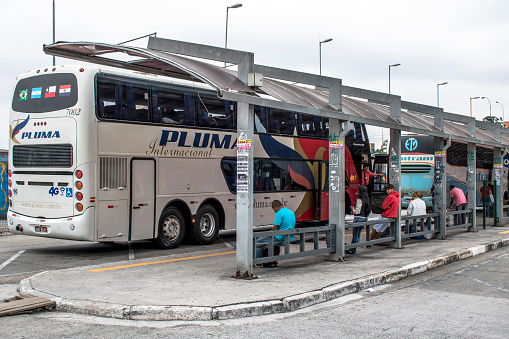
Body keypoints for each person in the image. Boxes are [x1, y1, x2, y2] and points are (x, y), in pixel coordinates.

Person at [255, 200, 296, 268]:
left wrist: (267, 233)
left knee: (258, 241)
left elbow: (275, 228)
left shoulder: (279, 213)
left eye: (273, 209)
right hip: (289, 236)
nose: (274, 211)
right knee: (270, 239)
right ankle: (274, 260)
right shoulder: (291, 212)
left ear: (276, 206)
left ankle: (258, 261)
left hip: (281, 236)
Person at [346, 185, 370, 254]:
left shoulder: (360, 199)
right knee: (358, 235)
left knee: (355, 235)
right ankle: (354, 249)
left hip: (358, 218)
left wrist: (352, 208)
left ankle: (352, 249)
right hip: (364, 218)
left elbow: (357, 211)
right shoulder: (367, 199)